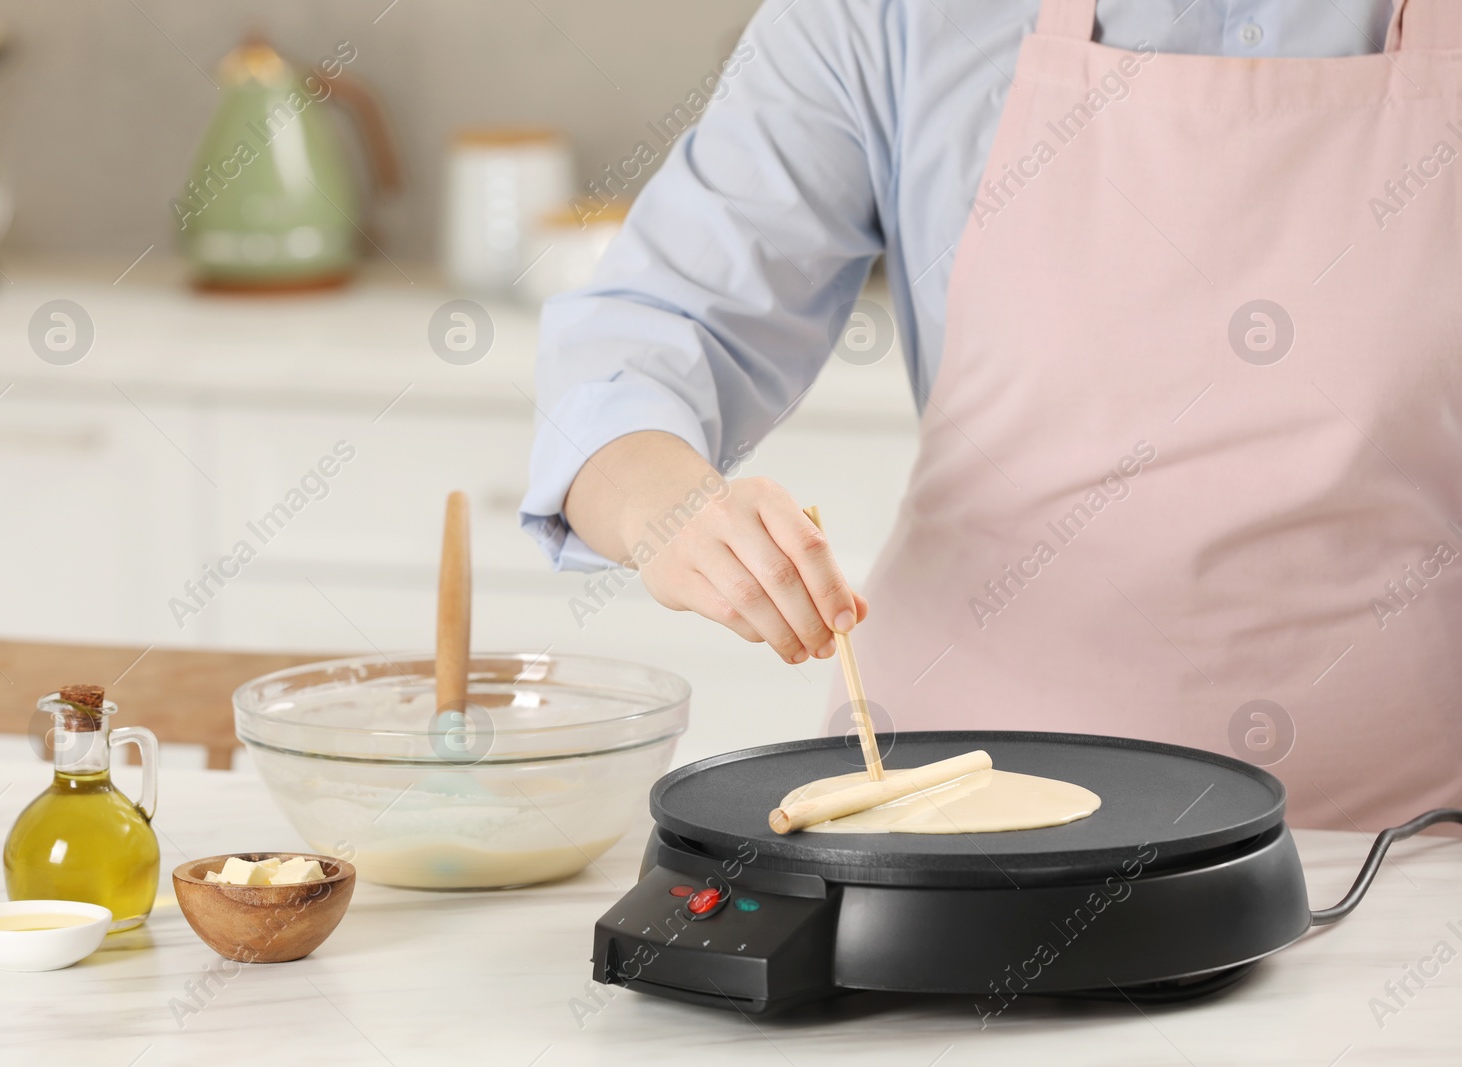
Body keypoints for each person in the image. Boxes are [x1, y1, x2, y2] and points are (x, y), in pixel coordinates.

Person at [520, 0, 1462, 829]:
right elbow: (652, 327)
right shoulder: (891, 17)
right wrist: (671, 510)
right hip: (945, 841)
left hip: (1416, 857)